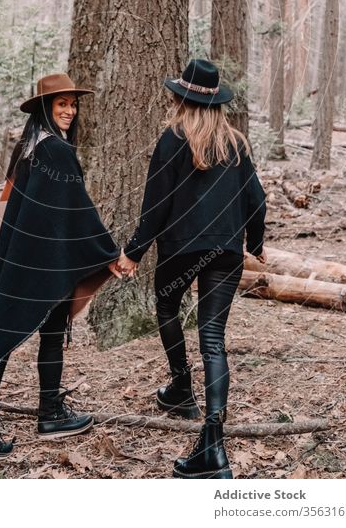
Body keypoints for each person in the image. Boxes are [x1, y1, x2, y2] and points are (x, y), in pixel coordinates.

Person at [0, 73, 121, 461]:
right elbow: (78, 209)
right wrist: (107, 252)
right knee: (12, 328)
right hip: (40, 260)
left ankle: (45, 414)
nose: (69, 111)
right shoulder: (53, 151)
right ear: (46, 108)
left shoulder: (30, 147)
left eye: (73, 104)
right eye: (61, 104)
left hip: (28, 255)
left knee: (30, 325)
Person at [118, 59, 266, 479]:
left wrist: (134, 251)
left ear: (180, 99)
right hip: (225, 252)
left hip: (182, 250)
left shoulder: (173, 140)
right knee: (213, 338)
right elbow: (257, 200)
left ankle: (182, 387)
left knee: (167, 310)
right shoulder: (236, 144)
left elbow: (155, 204)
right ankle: (213, 444)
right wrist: (253, 243)